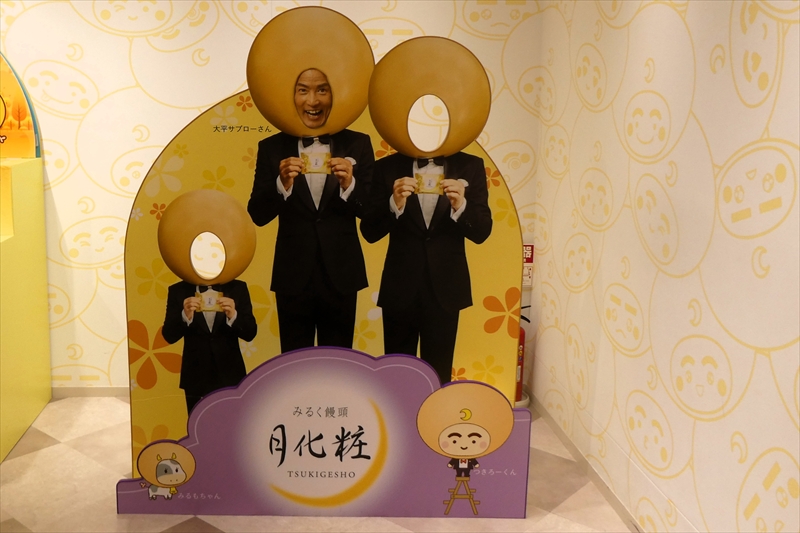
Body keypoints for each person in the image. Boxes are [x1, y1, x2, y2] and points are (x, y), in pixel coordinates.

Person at [247, 68, 374, 352]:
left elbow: (371, 211)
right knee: (294, 363)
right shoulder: (271, 147)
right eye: (303, 90)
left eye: (322, 90)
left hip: (342, 274)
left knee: (339, 362)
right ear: (290, 95)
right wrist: (281, 184)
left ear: (335, 94)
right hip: (292, 275)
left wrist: (350, 184)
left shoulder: (358, 143)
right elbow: (258, 213)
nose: (313, 101)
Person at [361, 152, 492, 384]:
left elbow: (481, 232)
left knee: (439, 373)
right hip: (399, 287)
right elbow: (369, 232)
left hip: (446, 287)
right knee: (397, 373)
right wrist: (394, 204)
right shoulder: (387, 167)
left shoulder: (470, 165)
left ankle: (436, 409)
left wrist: (461, 206)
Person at [162, 279, 257, 413]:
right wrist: (184, 316)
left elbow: (250, 333)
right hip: (195, 376)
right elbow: (169, 336)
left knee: (232, 421)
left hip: (231, 374)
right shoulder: (178, 290)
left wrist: (233, 315)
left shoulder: (237, 287)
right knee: (199, 422)